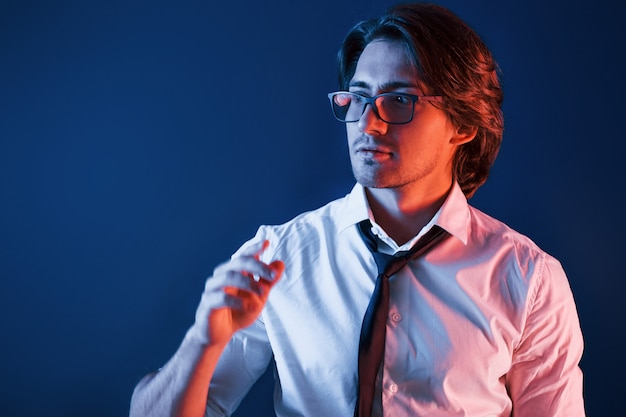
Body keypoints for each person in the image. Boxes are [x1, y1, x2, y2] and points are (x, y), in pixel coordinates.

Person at [129, 3, 585, 416]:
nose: (368, 123)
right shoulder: (275, 256)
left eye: (399, 101)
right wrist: (201, 344)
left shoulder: (530, 282)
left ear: (463, 124)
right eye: (358, 97)